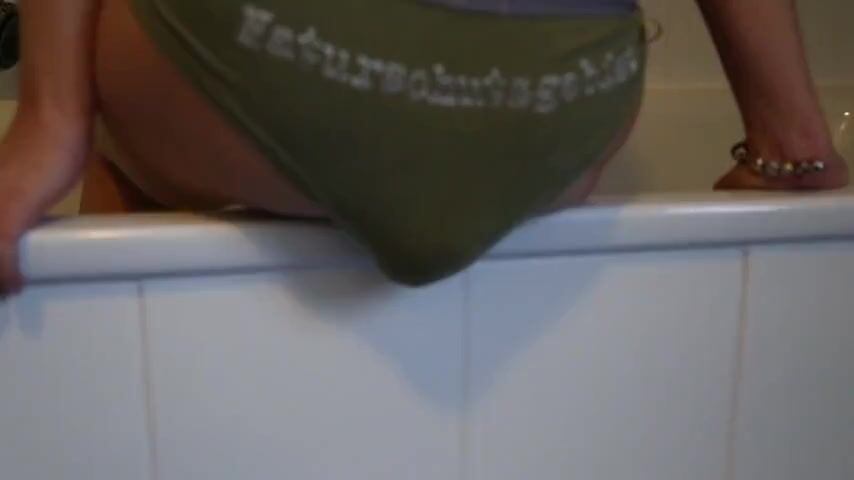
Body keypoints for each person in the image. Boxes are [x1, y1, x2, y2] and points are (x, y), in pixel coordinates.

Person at [0, 0, 847, 293]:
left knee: (111, 116)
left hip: (285, 57)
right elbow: (789, 143)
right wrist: (791, 138)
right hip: (560, 97)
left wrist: (52, 117)